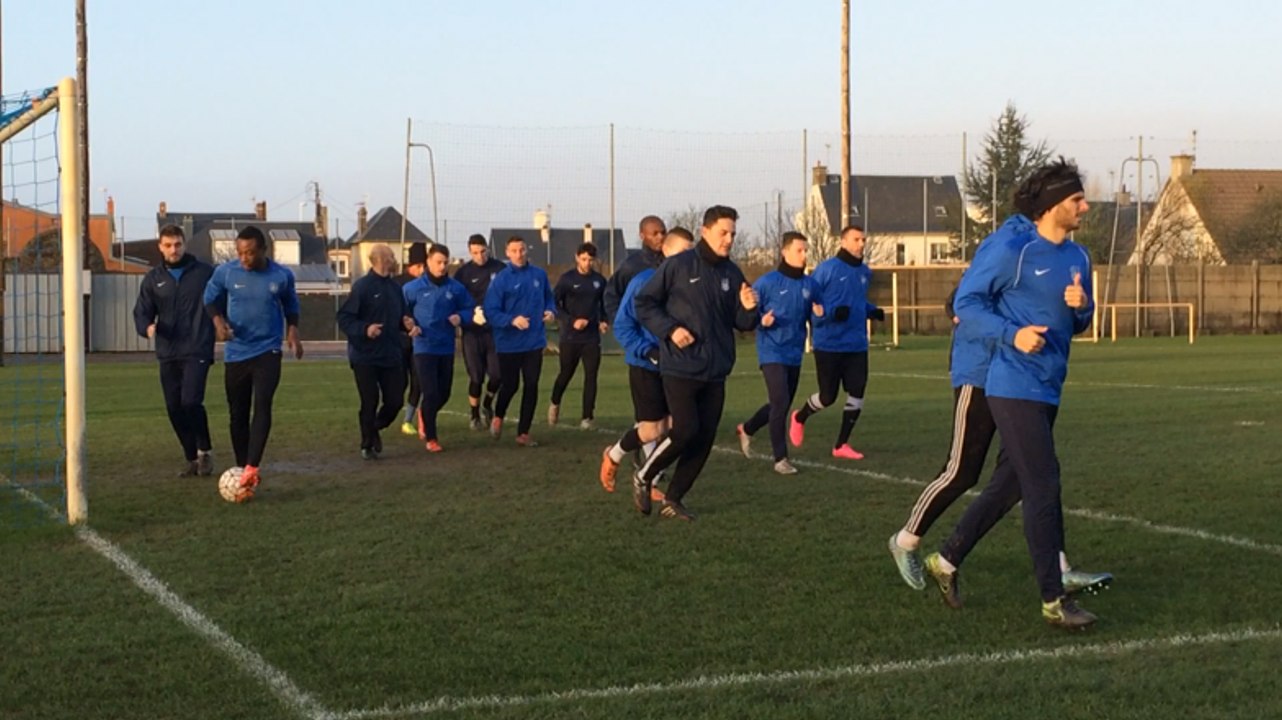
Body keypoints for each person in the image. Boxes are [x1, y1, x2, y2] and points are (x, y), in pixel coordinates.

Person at [926, 158, 1101, 629]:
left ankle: (945, 560)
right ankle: (1053, 597)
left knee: (1011, 485)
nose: (1085, 205)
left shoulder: (1079, 258)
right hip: (1010, 381)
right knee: (1044, 481)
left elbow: (1081, 323)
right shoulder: (1015, 252)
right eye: (1075, 200)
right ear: (1050, 207)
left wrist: (1082, 309)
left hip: (1048, 384)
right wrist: (1012, 334)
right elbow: (966, 303)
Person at [887, 282, 1111, 599]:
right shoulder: (1000, 257)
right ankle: (906, 539)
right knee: (963, 469)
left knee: (1030, 470)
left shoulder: (1035, 261)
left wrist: (1080, 304)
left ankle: (1056, 568)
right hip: (978, 374)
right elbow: (958, 304)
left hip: (1017, 381)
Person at [632, 206, 759, 520]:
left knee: (704, 438)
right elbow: (644, 303)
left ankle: (674, 498)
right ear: (705, 231)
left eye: (732, 233)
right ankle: (643, 475)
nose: (728, 239)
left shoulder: (732, 273)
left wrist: (749, 309)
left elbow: (742, 323)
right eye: (723, 232)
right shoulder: (678, 265)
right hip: (680, 366)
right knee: (686, 428)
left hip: (716, 370)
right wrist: (670, 330)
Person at [203, 225, 303, 501]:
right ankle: (242, 466)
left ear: (262, 250)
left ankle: (251, 466)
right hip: (236, 352)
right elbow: (210, 300)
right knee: (237, 413)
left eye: (249, 253)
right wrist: (218, 322)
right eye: (240, 252)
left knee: (263, 404)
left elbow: (291, 306)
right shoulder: (226, 273)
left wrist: (293, 332)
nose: (244, 258)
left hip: (267, 350)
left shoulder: (281, 276)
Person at [599, 227, 695, 495]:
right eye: (683, 253)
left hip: (679, 365)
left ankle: (649, 477)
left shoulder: (691, 285)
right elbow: (623, 326)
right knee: (653, 429)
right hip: (646, 365)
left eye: (692, 252)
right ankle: (617, 456)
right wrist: (647, 351)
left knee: (679, 425)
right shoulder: (643, 281)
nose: (689, 259)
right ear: (666, 251)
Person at [787, 225, 884, 460]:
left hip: (857, 344)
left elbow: (857, 302)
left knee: (858, 390)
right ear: (843, 242)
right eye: (856, 239)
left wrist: (872, 311)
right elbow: (811, 303)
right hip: (829, 343)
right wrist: (829, 314)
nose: (862, 244)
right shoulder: (827, 270)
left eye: (864, 239)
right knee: (828, 396)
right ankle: (799, 417)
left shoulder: (865, 272)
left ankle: (841, 444)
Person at [735, 231, 823, 475]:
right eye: (799, 250)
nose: (804, 255)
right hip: (771, 350)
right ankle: (780, 459)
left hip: (794, 351)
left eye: (806, 250)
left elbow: (818, 312)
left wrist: (819, 314)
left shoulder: (810, 284)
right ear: (785, 252)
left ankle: (748, 429)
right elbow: (748, 316)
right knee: (781, 402)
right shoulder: (767, 283)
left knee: (779, 405)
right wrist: (761, 320)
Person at [132, 223, 216, 477]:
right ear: (160, 247)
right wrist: (147, 326)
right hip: (168, 351)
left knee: (191, 401)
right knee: (174, 407)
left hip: (197, 347)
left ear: (184, 244)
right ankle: (191, 458)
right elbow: (142, 310)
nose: (173, 249)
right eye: (168, 245)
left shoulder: (204, 273)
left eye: (178, 244)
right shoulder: (153, 279)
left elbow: (222, 297)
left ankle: (205, 451)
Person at [336, 244, 412, 459]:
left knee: (395, 400)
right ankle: (367, 443)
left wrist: (406, 323)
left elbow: (400, 317)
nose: (394, 259)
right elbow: (345, 318)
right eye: (390, 256)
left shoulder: (395, 288)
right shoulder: (363, 287)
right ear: (379, 260)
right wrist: (365, 329)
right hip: (365, 356)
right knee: (369, 401)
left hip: (391, 354)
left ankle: (375, 427)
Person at [482, 235, 556, 446]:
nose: (519, 254)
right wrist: (512, 320)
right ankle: (498, 415)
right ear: (507, 253)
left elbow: (549, 298)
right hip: (509, 343)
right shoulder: (501, 280)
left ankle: (523, 432)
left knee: (531, 385)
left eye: (522, 250)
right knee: (510, 385)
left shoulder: (539, 275)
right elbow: (491, 311)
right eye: (514, 251)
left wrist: (550, 311)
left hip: (534, 341)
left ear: (527, 250)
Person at [403, 243, 475, 452]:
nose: (442, 266)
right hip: (423, 347)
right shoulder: (412, 288)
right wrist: (409, 325)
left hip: (446, 347)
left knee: (444, 393)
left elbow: (470, 309)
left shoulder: (455, 288)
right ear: (428, 262)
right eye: (438, 262)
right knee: (431, 392)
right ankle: (431, 438)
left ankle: (425, 413)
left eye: (445, 262)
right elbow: (400, 311)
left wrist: (460, 317)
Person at [548, 243, 608, 430]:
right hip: (570, 337)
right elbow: (554, 303)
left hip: (591, 338)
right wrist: (570, 320)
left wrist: (603, 320)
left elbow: (604, 304)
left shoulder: (599, 281)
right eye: (584, 259)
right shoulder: (567, 280)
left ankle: (587, 417)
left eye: (591, 260)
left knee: (591, 376)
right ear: (577, 257)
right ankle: (554, 402)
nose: (587, 263)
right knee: (566, 373)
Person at [453, 234, 506, 430]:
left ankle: (487, 403)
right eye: (475, 252)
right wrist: (469, 314)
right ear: (469, 252)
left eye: (483, 251)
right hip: (472, 333)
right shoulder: (463, 273)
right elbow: (455, 300)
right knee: (476, 377)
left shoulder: (500, 269)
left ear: (488, 249)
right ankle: (474, 414)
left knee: (497, 375)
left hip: (494, 332)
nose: (480, 256)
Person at [602, 215, 667, 322]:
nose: (660, 237)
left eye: (663, 232)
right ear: (642, 235)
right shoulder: (632, 265)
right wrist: (622, 322)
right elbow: (612, 295)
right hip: (641, 329)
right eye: (654, 234)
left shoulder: (673, 260)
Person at [397, 242, 428, 436]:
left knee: (419, 381)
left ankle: (409, 420)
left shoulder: (428, 283)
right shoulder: (399, 283)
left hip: (419, 341)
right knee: (399, 382)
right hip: (400, 341)